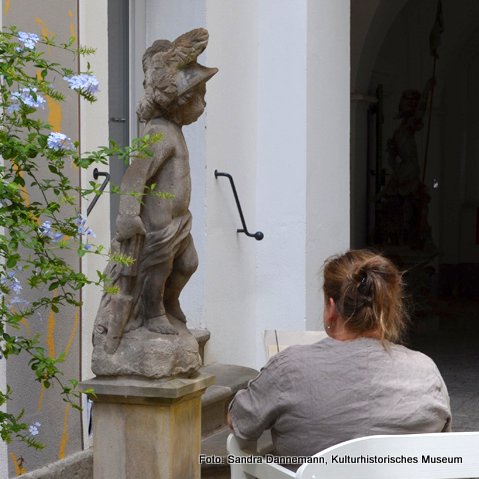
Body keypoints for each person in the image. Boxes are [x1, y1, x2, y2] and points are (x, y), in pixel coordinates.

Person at [227, 249, 451, 460]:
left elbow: (238, 421)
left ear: (331, 307)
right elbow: (443, 450)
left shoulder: (289, 367)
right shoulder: (425, 370)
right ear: (386, 307)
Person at [93, 29, 218, 354]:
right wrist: (128, 214)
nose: (203, 104)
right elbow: (135, 176)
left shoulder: (172, 131)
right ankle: (153, 313)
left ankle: (168, 302)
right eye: (198, 97)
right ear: (178, 102)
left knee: (188, 264)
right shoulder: (159, 134)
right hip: (157, 227)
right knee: (157, 271)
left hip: (178, 223)